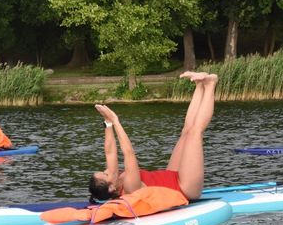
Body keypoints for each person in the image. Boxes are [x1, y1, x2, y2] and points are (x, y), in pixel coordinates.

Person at [89, 71, 219, 203]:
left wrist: (108, 122)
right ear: (112, 188)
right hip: (185, 189)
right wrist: (116, 121)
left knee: (186, 132)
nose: (107, 169)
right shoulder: (130, 187)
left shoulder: (115, 178)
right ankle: (210, 85)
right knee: (194, 133)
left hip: (172, 178)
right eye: (105, 174)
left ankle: (199, 85)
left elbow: (110, 151)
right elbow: (128, 153)